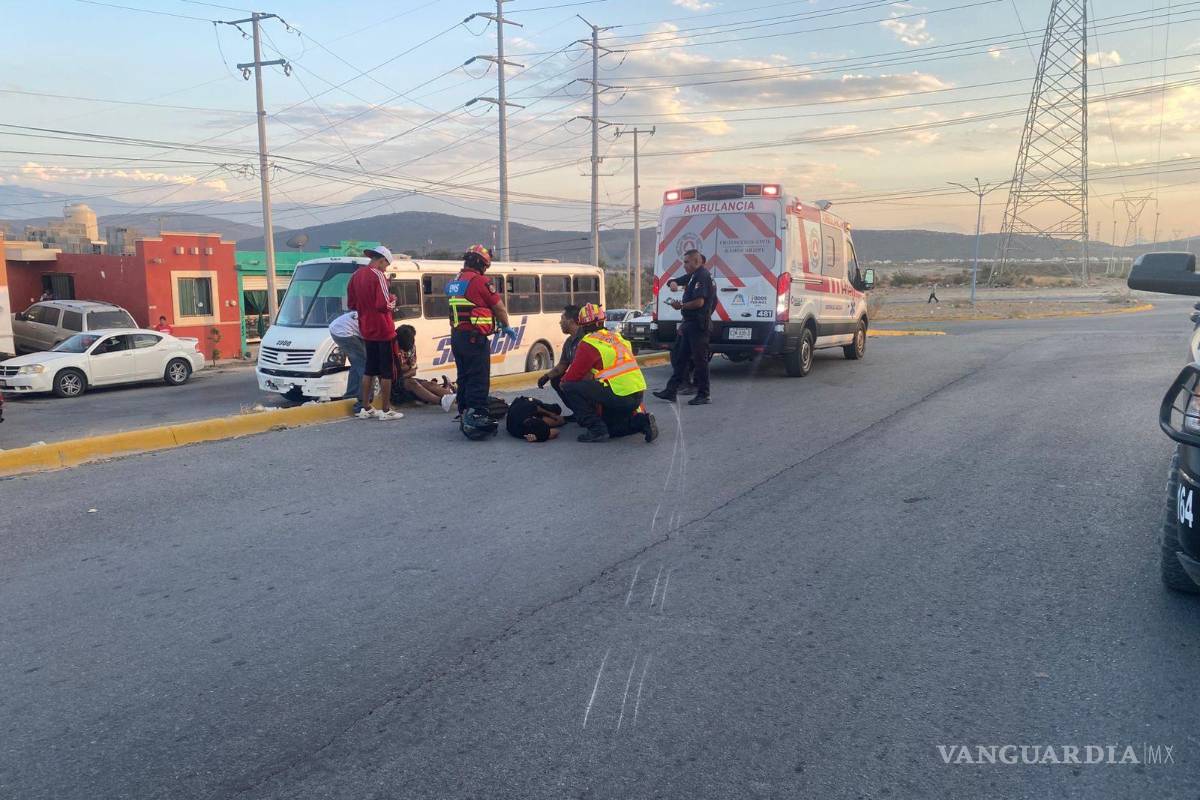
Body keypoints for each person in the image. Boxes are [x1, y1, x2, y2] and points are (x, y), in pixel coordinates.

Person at [559, 303, 658, 444]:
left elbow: (572, 377)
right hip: (637, 394)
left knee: (569, 386)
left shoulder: (588, 343)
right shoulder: (617, 337)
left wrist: (562, 382)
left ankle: (595, 429)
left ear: (582, 325)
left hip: (619, 394)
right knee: (612, 429)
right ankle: (643, 422)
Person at [446, 244, 516, 438]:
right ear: (481, 264)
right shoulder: (479, 281)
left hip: (457, 336)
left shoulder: (456, 280)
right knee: (478, 377)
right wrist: (506, 325)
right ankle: (476, 415)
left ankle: (464, 411)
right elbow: (499, 307)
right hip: (475, 338)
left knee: (464, 376)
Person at [346, 245, 403, 420]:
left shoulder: (355, 276)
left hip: (366, 328)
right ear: (381, 260)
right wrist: (393, 300)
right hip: (383, 329)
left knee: (369, 369)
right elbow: (383, 305)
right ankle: (386, 410)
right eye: (386, 265)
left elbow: (352, 304)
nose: (385, 269)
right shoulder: (379, 276)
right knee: (386, 371)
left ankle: (365, 407)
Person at [653, 249, 716, 405]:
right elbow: (675, 280)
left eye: (687, 262)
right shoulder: (694, 275)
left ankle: (704, 394)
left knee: (700, 361)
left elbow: (699, 302)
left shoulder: (702, 276)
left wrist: (681, 305)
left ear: (697, 261)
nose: (684, 265)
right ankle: (671, 390)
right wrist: (673, 283)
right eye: (684, 262)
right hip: (689, 324)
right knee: (679, 358)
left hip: (698, 325)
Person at [392, 324, 456, 411]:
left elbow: (413, 370)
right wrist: (406, 369)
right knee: (412, 383)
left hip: (403, 379)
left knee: (430, 384)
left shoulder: (411, 347)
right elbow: (392, 376)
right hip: (393, 385)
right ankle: (441, 401)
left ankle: (459, 399)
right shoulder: (391, 349)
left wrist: (403, 370)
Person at [536, 304, 582, 417]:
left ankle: (589, 415)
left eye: (562, 319)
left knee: (566, 383)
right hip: (578, 379)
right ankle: (578, 412)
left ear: (571, 321)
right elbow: (563, 364)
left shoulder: (585, 339)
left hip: (589, 380)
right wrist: (547, 376)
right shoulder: (568, 343)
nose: (560, 322)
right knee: (556, 379)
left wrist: (567, 380)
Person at [328, 309, 366, 410]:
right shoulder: (375, 322)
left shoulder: (369, 314)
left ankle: (351, 395)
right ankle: (362, 403)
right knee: (365, 366)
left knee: (357, 363)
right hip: (344, 333)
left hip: (337, 328)